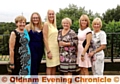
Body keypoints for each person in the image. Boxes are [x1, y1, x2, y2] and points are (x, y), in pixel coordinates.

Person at [43, 9, 60, 75]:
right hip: (50, 48)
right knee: (49, 66)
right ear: (47, 15)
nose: (51, 15)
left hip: (56, 48)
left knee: (54, 66)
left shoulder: (54, 25)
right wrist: (48, 51)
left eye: (52, 14)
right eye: (49, 14)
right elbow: (45, 38)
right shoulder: (46, 24)